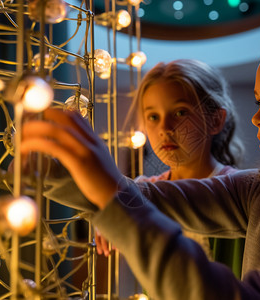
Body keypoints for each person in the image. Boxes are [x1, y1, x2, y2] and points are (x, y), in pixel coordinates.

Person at [21, 4, 260, 299]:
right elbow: (149, 196)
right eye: (258, 100)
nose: (258, 118)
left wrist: (109, 194)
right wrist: (45, 169)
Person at [95, 59, 245, 278]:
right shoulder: (138, 192)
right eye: (153, 117)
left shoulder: (241, 191)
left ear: (215, 120)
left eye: (180, 112)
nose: (165, 128)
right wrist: (108, 218)